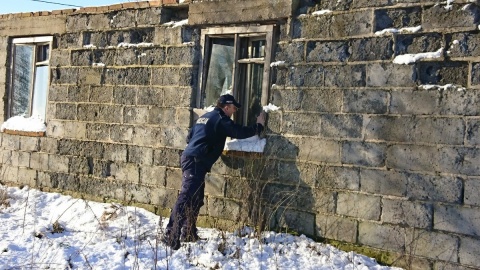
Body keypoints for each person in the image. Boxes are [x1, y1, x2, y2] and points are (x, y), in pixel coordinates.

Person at [163, 94, 266, 250]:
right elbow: (238, 132)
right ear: (226, 107)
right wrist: (258, 126)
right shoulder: (220, 119)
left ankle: (188, 232)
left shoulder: (205, 117)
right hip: (196, 161)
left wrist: (207, 144)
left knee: (196, 198)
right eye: (233, 108)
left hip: (192, 158)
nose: (234, 111)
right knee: (186, 197)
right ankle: (170, 234)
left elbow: (190, 136)